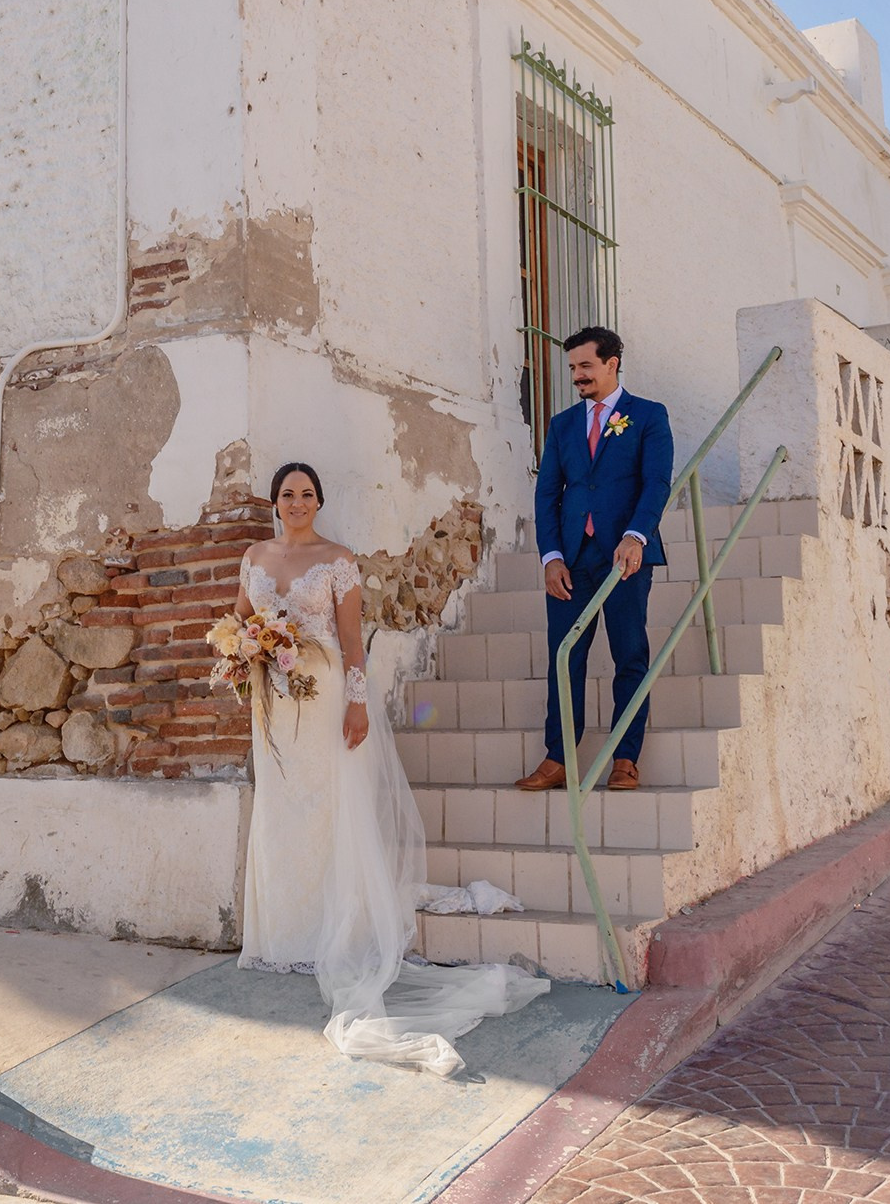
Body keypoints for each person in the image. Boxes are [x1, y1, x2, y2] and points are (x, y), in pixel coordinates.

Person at [235, 462, 547, 1077]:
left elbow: (353, 643)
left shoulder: (338, 559)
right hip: (272, 704)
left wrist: (356, 703)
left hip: (324, 699)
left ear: (319, 501)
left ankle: (333, 931)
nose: (296, 502)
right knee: (281, 811)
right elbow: (240, 619)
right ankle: (282, 936)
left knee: (329, 810)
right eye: (286, 494)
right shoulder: (253, 555)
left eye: (306, 494)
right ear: (274, 502)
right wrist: (244, 650)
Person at [516, 326, 673, 795]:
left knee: (629, 654)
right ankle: (558, 757)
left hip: (625, 556)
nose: (577, 376)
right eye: (572, 368)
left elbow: (657, 483)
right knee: (564, 659)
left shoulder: (647, 415)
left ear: (612, 363)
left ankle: (625, 759)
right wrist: (551, 557)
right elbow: (548, 494)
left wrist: (636, 535)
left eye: (585, 366)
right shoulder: (563, 424)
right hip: (572, 559)